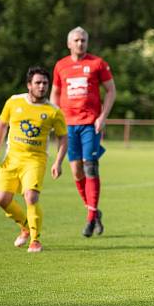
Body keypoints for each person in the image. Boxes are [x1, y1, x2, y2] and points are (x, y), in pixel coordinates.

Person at [0, 66, 68, 253]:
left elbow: (63, 137)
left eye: (45, 83)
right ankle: (25, 226)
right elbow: (1, 125)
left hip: (35, 160)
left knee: (31, 196)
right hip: (12, 158)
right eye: (38, 83)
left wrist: (58, 162)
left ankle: (35, 240)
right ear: (29, 85)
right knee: (2, 199)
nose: (42, 86)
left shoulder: (53, 111)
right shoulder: (13, 102)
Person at [51, 27, 116, 237]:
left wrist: (102, 117)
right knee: (76, 172)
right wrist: (56, 118)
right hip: (69, 126)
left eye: (84, 40)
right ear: (69, 43)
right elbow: (55, 93)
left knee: (90, 168)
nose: (80, 44)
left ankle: (90, 219)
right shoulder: (61, 66)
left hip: (90, 124)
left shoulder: (97, 63)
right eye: (77, 40)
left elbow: (111, 91)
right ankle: (94, 211)